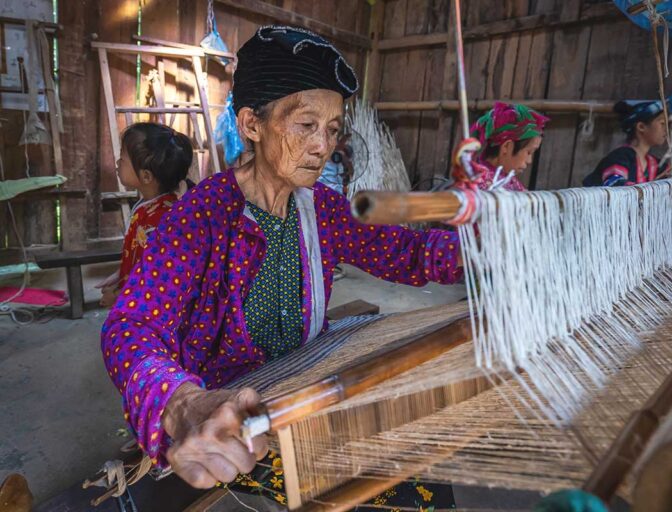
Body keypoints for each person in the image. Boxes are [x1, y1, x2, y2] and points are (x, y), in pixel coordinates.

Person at [100, 25, 463, 505]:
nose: (323, 145)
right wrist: (182, 403)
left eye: (333, 130)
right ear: (252, 123)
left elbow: (406, 253)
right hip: (235, 408)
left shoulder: (321, 209)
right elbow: (130, 325)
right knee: (405, 493)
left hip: (301, 376)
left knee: (420, 458)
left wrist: (491, 249)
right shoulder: (201, 217)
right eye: (306, 125)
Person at [97, 123, 194, 308]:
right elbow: (140, 256)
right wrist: (120, 274)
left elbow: (153, 276)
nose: (117, 163)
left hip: (147, 308)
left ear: (146, 176)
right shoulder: (148, 207)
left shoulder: (160, 220)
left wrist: (118, 296)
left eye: (122, 159)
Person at [467, 101, 549, 191]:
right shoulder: (481, 185)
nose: (529, 161)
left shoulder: (506, 179)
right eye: (529, 152)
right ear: (506, 146)